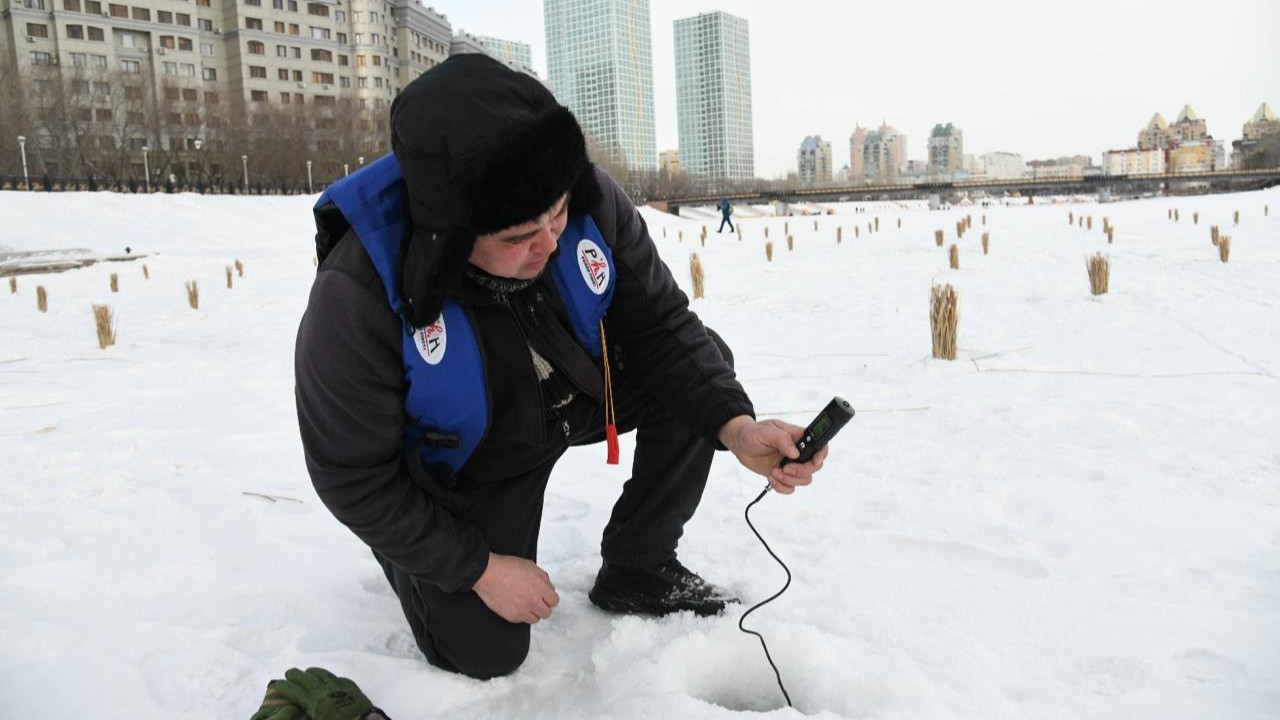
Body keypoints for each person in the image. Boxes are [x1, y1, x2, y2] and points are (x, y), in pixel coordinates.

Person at [294, 54, 827, 682]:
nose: (549, 246)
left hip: (576, 393)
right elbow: (351, 475)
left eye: (558, 217)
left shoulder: (587, 195)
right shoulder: (357, 291)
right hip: (471, 459)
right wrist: (477, 569)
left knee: (703, 369)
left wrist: (736, 427)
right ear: (449, 233)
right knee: (486, 652)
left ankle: (639, 565)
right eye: (520, 237)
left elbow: (661, 327)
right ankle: (409, 556)